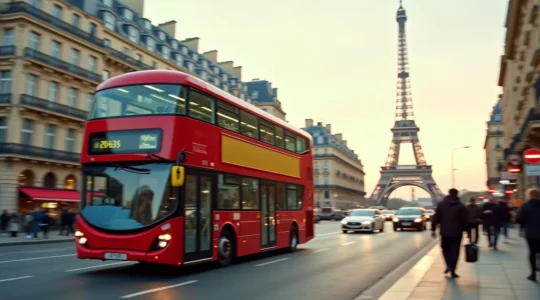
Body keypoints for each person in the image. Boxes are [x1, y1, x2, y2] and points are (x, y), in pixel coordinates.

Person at [431, 188, 469, 278]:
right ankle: (453, 269)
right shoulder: (461, 206)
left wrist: (433, 229)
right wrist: (468, 231)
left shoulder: (441, 205)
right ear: (457, 194)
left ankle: (448, 264)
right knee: (455, 252)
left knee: (445, 249)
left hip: (445, 232)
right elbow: (465, 220)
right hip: (457, 233)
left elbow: (435, 218)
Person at [516, 188, 540, 282]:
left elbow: (519, 219)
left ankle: (533, 274)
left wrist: (523, 226)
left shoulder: (525, 205)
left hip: (530, 233)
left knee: (532, 252)